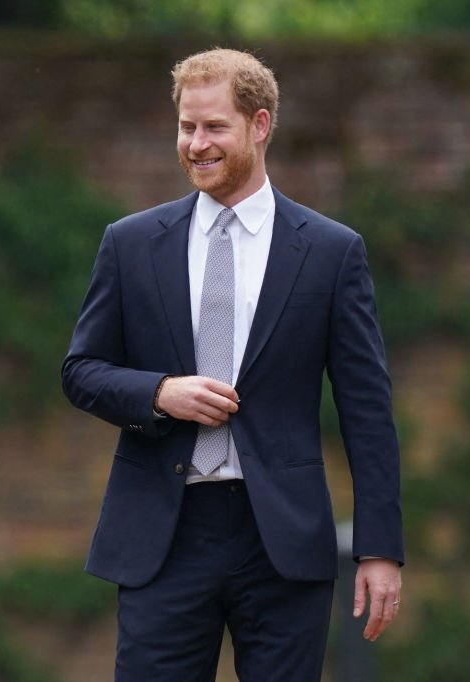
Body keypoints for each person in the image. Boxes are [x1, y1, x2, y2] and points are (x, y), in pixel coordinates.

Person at [62, 48, 403, 681]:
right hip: (163, 537)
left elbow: (367, 411)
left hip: (282, 540)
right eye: (187, 127)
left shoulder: (331, 253)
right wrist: (159, 392)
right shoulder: (130, 243)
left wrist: (380, 549)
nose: (196, 143)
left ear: (260, 125)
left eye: (214, 127)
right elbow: (81, 370)